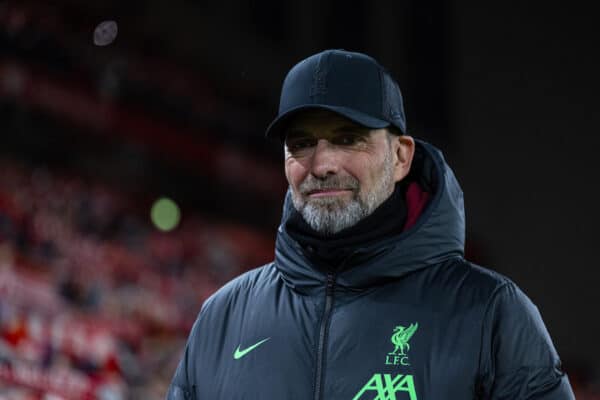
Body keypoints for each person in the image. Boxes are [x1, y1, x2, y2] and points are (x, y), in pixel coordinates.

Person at [166, 49, 575, 400]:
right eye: (302, 143)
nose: (322, 165)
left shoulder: (491, 313)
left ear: (400, 156)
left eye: (347, 139)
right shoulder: (223, 316)